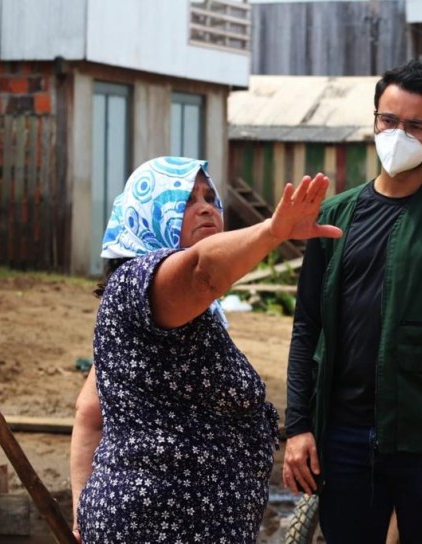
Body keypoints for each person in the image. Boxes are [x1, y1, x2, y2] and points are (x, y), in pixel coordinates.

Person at [282, 59, 422, 543]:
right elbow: (306, 327)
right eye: (388, 120)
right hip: (343, 436)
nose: (397, 134)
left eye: (414, 126)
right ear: (374, 120)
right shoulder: (335, 218)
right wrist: (298, 426)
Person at [69, 156, 341, 543]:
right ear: (147, 214)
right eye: (186, 200)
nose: (206, 207)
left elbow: (89, 410)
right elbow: (203, 273)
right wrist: (272, 231)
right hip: (157, 526)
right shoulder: (139, 283)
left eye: (211, 198)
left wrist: (84, 512)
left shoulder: (178, 312)